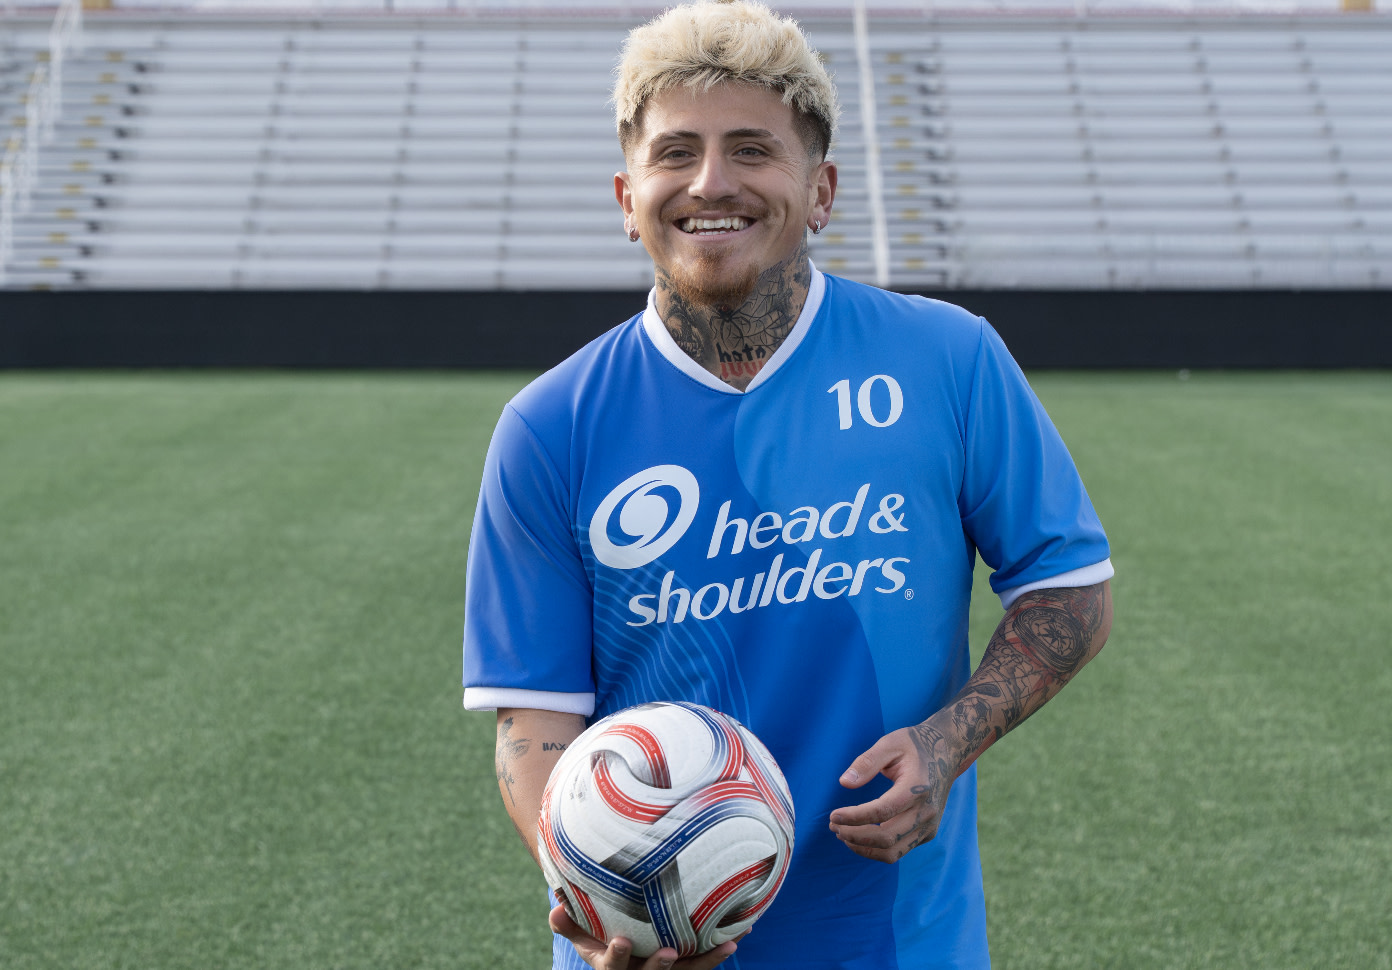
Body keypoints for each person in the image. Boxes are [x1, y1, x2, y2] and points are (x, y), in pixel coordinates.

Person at [462, 2, 1114, 967]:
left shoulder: (947, 360)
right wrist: (603, 892)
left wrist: (945, 744)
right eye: (675, 151)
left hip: (895, 941)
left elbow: (1068, 592)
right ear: (625, 193)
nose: (709, 183)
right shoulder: (549, 427)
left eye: (752, 151)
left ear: (821, 190)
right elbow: (535, 724)